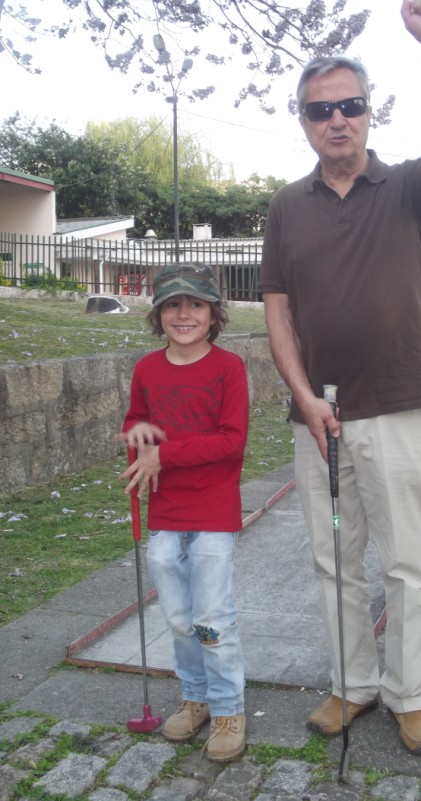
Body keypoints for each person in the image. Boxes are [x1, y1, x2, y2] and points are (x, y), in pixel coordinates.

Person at [259, 0, 421, 756]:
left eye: (350, 106)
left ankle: (409, 693)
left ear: (367, 114)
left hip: (397, 406)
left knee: (406, 561)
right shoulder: (286, 208)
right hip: (318, 418)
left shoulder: (409, 188)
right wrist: (301, 398)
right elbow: (279, 315)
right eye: (321, 110)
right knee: (335, 561)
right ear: (304, 121)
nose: (338, 120)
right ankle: (353, 684)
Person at [117, 263, 249, 763]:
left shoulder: (228, 369)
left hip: (213, 512)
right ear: (158, 315)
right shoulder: (148, 368)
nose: (184, 313)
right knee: (177, 616)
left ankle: (227, 707)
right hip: (165, 512)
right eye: (172, 304)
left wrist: (163, 453)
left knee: (213, 616)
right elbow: (136, 419)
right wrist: (137, 439)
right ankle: (194, 698)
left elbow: (232, 441)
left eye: (195, 304)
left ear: (213, 314)